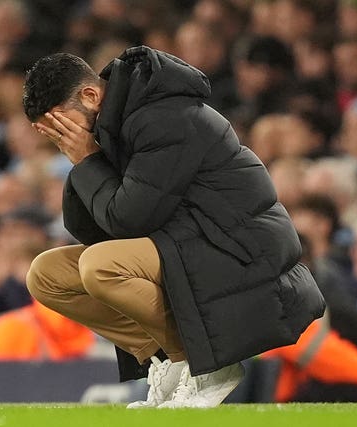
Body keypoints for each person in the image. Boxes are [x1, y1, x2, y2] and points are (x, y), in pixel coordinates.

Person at [23, 46, 325, 408]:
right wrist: (82, 160)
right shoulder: (111, 123)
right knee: (46, 274)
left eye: (61, 123)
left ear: (90, 95)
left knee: (100, 267)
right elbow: (90, 229)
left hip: (237, 249)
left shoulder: (162, 115)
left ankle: (207, 366)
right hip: (186, 243)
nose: (62, 135)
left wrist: (87, 159)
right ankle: (167, 357)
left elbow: (128, 220)